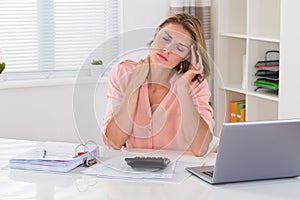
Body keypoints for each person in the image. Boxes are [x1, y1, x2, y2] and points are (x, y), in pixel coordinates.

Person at [102, 12, 214, 156]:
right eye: (165, 38)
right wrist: (134, 85)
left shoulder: (194, 83)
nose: (167, 49)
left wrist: (182, 89)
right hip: (134, 171)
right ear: (156, 33)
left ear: (186, 56)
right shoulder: (123, 72)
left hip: (179, 172)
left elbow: (200, 148)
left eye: (179, 48)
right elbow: (114, 142)